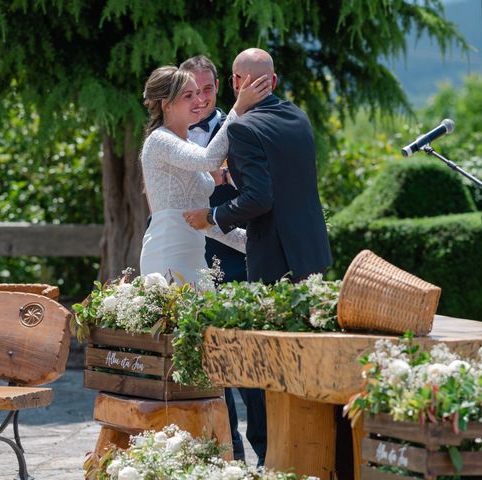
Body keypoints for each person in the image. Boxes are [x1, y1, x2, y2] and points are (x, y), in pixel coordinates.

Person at [183, 48, 333, 466]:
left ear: (233, 84)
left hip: (271, 259)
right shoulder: (298, 117)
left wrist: (213, 214)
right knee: (305, 365)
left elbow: (260, 198)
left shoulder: (245, 128)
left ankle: (276, 458)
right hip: (310, 254)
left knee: (269, 366)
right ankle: (307, 454)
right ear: (276, 80)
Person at [179, 55, 266, 465]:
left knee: (251, 364)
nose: (200, 100)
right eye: (191, 92)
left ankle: (268, 454)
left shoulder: (243, 127)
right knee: (211, 369)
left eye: (208, 90)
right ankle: (226, 458)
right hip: (193, 263)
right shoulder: (170, 137)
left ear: (220, 87)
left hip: (239, 261)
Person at [139, 65, 269, 285]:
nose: (199, 100)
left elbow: (201, 223)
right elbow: (208, 160)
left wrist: (259, 242)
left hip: (195, 256)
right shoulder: (159, 140)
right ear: (166, 104)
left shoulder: (185, 145)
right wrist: (239, 107)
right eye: (189, 95)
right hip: (167, 254)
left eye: (198, 93)